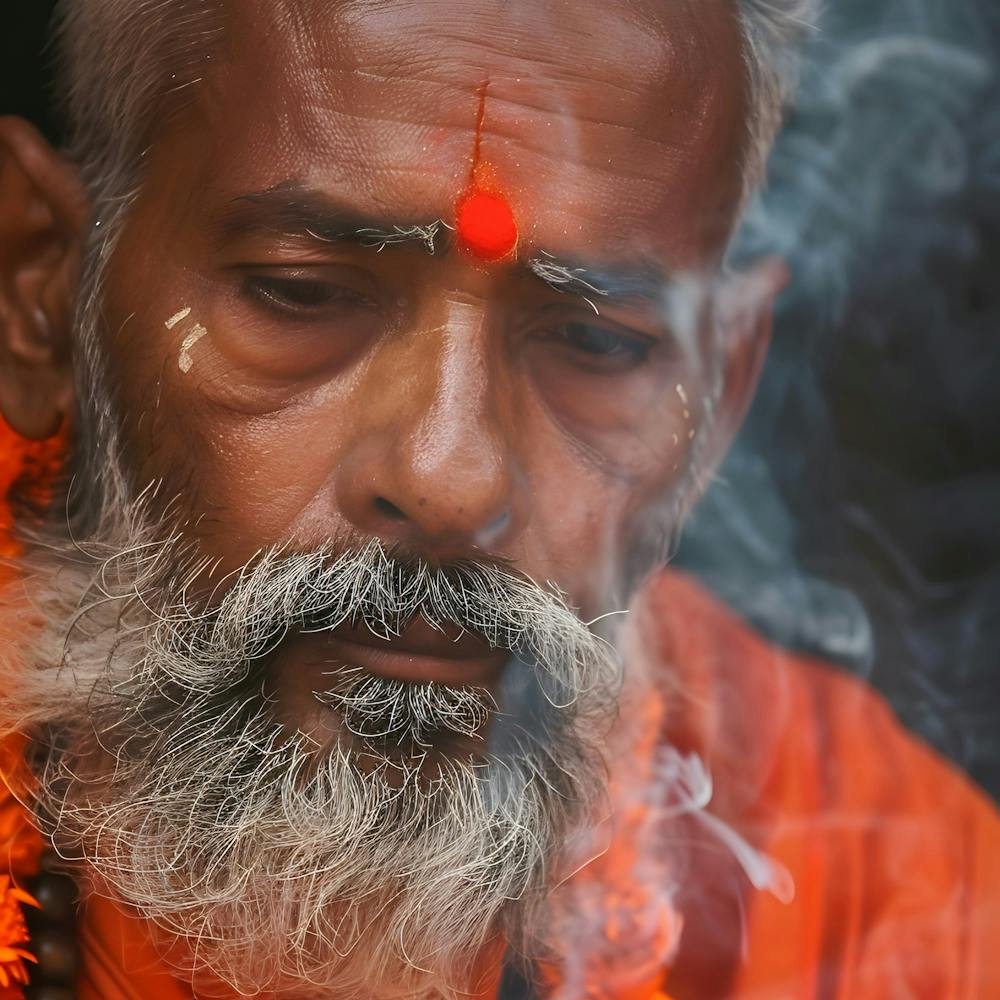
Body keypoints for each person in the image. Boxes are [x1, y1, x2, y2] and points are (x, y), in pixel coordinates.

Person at [0, 1, 995, 998]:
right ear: (38, 290)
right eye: (304, 292)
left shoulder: (888, 899)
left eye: (596, 340)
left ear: (719, 396)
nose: (450, 479)